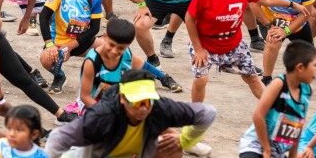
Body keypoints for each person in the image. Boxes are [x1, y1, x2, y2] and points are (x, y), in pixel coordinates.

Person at [186, 0, 309, 105]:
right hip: (205, 44)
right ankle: (195, 112)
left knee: (251, 77)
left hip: (233, 43)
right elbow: (189, 18)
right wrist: (198, 49)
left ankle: (272, 107)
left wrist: (292, 4)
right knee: (201, 79)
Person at [46, 68, 216, 158]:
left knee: (171, 147)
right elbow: (57, 139)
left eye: (147, 101)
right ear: (122, 98)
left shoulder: (159, 107)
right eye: (136, 102)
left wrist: (185, 141)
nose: (142, 108)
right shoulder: (102, 116)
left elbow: (208, 113)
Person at [76, 18, 182, 115]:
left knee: (154, 108)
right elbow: (85, 97)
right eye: (111, 45)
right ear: (104, 37)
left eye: (121, 48)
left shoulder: (126, 55)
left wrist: (164, 78)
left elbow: (144, 66)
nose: (114, 51)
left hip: (118, 100)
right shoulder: (92, 62)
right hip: (94, 104)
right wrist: (107, 113)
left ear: (128, 45)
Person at [237, 41, 316, 158]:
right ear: (300, 67)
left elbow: (297, 126)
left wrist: (293, 156)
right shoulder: (279, 84)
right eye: (315, 65)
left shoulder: (307, 91)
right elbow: (258, 116)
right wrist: (266, 149)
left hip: (277, 152)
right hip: (256, 146)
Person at [39, 0, 104, 95]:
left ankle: (103, 82)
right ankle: (59, 76)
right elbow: (44, 17)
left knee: (111, 51)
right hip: (59, 42)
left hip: (83, 41)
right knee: (45, 59)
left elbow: (95, 28)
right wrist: (49, 44)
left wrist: (71, 46)